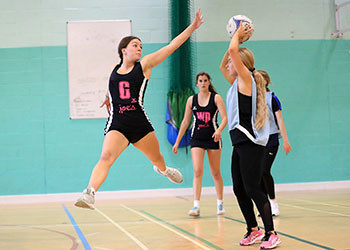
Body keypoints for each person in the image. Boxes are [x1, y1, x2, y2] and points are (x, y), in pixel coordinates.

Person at [75, 9, 204, 209]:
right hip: (118, 123)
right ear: (123, 50)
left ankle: (163, 170)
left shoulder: (144, 66)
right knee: (106, 156)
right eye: (135, 45)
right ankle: (89, 193)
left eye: (141, 46)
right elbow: (115, 89)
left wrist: (192, 27)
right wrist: (107, 97)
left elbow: (172, 46)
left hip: (139, 123)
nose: (139, 49)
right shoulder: (113, 71)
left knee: (158, 158)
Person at [220, 22, 281, 249]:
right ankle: (252, 230)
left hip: (251, 143)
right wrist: (233, 42)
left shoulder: (246, 79)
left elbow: (234, 52)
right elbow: (222, 64)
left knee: (254, 187)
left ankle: (271, 232)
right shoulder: (235, 82)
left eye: (231, 61)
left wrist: (237, 36)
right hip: (239, 143)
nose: (227, 63)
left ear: (241, 64)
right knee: (238, 187)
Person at [172, 72, 228, 216]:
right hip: (196, 138)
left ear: (209, 82)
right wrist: (177, 142)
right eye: (200, 81)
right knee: (197, 171)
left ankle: (220, 204)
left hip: (213, 138)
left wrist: (219, 131)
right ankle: (196, 206)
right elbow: (185, 122)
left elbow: (225, 118)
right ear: (197, 84)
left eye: (205, 80)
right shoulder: (192, 100)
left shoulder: (216, 98)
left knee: (215, 172)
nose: (203, 83)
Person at [257, 70, 292, 217]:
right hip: (258, 140)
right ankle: (265, 205)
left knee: (265, 170)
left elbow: (280, 120)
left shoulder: (272, 98)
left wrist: (285, 140)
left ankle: (273, 203)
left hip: (271, 139)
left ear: (265, 81)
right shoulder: (254, 99)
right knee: (258, 173)